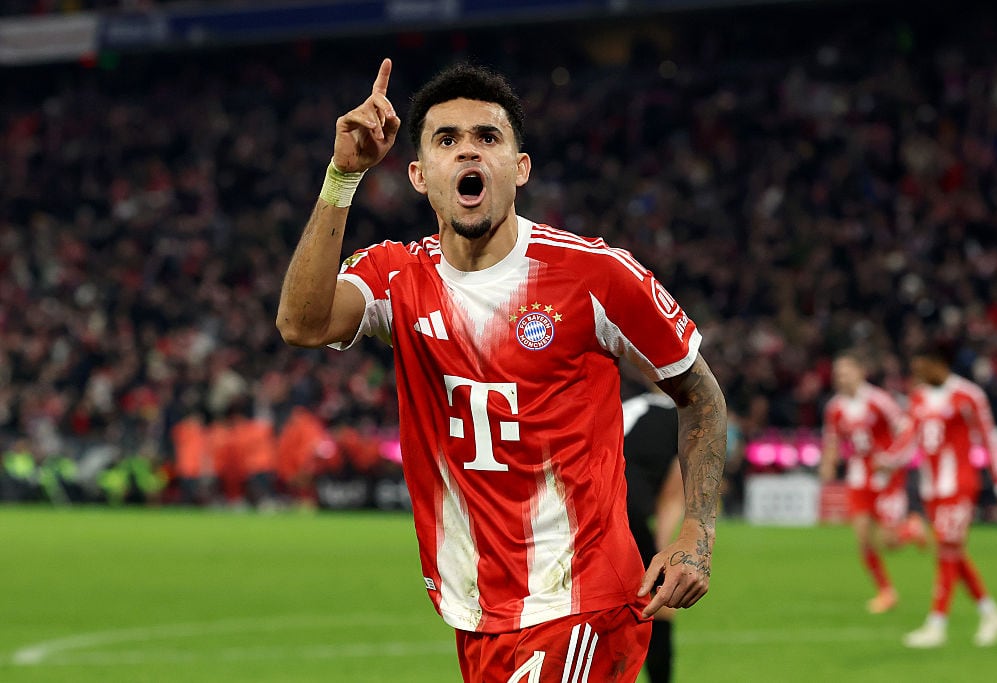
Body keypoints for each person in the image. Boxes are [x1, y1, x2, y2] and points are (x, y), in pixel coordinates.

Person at [276, 59, 727, 681]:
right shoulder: (396, 277)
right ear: (418, 175)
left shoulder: (595, 275)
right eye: (446, 140)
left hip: (582, 603)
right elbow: (301, 324)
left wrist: (696, 535)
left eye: (487, 137)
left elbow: (700, 393)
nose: (469, 152)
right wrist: (342, 177)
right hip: (477, 610)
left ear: (520, 168)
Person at [878, 341, 997, 649]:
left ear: (937, 364)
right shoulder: (918, 397)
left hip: (960, 485)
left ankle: (936, 624)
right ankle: (990, 613)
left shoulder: (968, 395)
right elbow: (909, 439)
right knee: (953, 552)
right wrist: (887, 461)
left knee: (946, 550)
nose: (916, 374)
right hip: (932, 489)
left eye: (920, 367)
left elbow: (990, 440)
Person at [819, 351, 925, 614]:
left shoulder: (879, 400)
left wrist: (891, 459)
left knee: (888, 541)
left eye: (846, 372)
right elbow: (832, 440)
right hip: (858, 476)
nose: (841, 378)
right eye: (838, 373)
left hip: (885, 476)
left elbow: (906, 428)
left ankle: (910, 529)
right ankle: (886, 592)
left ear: (860, 372)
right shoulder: (835, 407)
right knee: (863, 537)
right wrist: (828, 465)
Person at [622, 390, 685, 683]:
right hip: (624, 509)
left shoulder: (633, 406)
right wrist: (662, 553)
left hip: (578, 506)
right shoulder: (687, 419)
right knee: (660, 603)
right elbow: (673, 496)